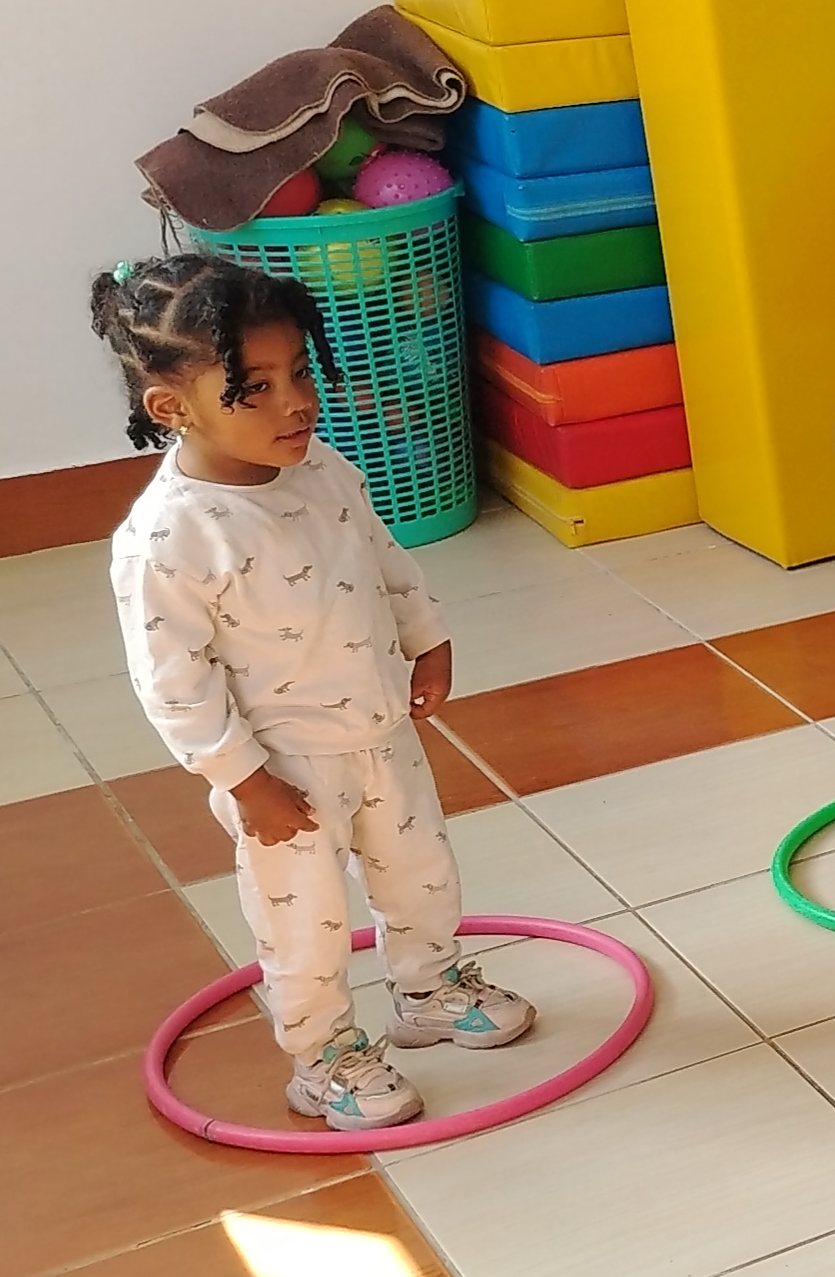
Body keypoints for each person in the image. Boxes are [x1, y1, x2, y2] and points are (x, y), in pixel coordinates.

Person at [95, 255, 534, 1133]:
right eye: (254, 388)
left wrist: (426, 637)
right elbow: (173, 681)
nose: (297, 402)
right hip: (283, 770)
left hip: (379, 730)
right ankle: (324, 1057)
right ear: (172, 408)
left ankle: (429, 989)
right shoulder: (170, 536)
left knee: (421, 875)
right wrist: (242, 779)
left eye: (300, 371)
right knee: (306, 924)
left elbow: (379, 555)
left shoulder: (321, 468)